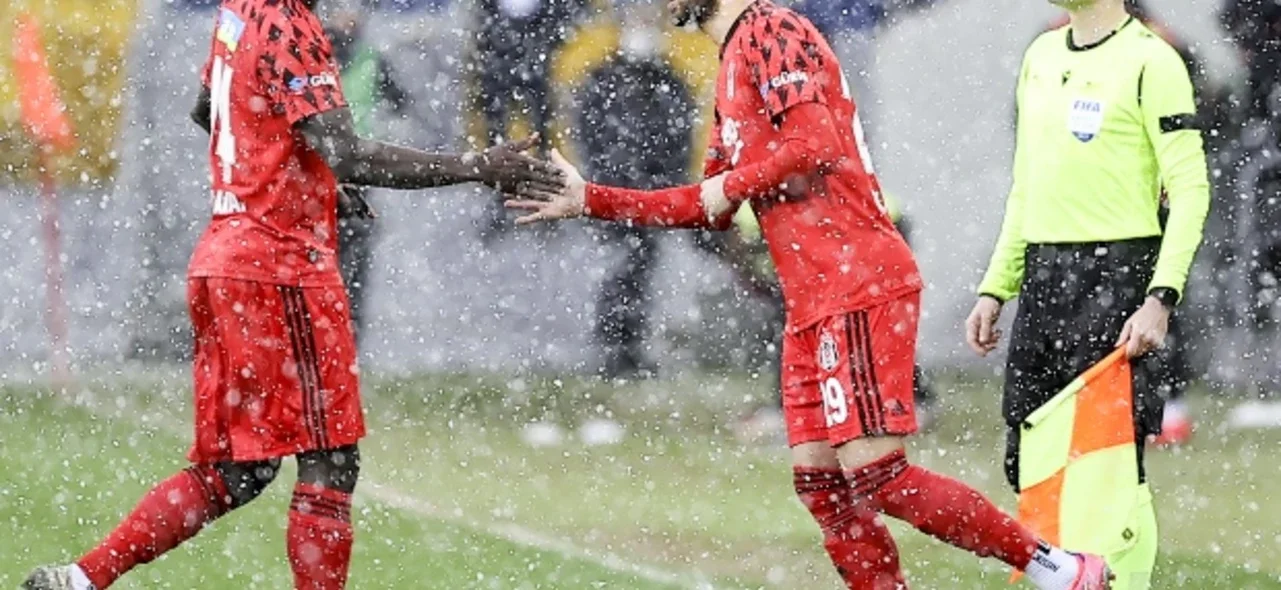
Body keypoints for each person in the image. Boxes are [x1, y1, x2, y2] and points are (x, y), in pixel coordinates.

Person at [507, 0, 1112, 587]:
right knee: (822, 488)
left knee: (881, 477)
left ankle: (1060, 571)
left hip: (857, 280)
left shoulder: (774, 29)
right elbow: (709, 205)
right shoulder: (732, 63)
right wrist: (593, 199)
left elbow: (814, 141)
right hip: (812, 301)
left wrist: (733, 184)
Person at [21, 0, 563, 588]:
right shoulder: (290, 23)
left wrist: (308, 176)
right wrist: (476, 165)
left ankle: (80, 579)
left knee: (237, 471)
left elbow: (209, 109)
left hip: (225, 258)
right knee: (330, 458)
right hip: (279, 267)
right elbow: (346, 150)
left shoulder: (242, 11)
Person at [966, 0, 1209, 584]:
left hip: (1118, 277)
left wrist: (1161, 297)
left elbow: (1191, 188)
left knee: (1110, 470)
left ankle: (1122, 581)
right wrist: (997, 287)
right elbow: (1027, 185)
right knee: (1029, 460)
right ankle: (1069, 578)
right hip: (1047, 281)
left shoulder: (1154, 60)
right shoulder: (1040, 55)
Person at [1041, 0, 1209, 446]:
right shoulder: (1051, 43)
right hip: (1079, 213)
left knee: (1162, 301)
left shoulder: (1158, 46)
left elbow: (1199, 116)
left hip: (1145, 210)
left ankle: (1167, 400)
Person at [577, 10, 696, 380]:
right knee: (621, 270)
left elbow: (680, 141)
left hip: (649, 197)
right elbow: (591, 137)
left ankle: (629, 348)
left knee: (639, 269)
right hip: (614, 194)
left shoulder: (670, 81)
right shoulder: (602, 80)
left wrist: (665, 185)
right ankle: (615, 350)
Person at [325, 9, 416, 346]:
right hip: (320, 170)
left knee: (353, 259)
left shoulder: (370, 58)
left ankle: (347, 339)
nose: (349, 16)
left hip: (356, 172)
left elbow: (402, 103)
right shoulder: (312, 53)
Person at [473, 0, 586, 244]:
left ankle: (546, 198)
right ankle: (500, 201)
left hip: (535, 58)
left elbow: (569, 10)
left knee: (542, 136)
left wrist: (550, 36)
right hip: (501, 61)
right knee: (498, 139)